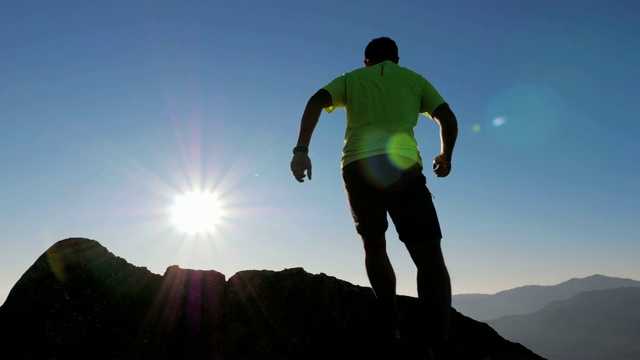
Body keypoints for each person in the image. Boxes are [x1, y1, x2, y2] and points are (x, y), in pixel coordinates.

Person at [290, 37, 458, 357]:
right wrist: (445, 155)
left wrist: (301, 150)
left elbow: (315, 100)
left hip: (358, 166)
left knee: (374, 245)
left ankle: (389, 318)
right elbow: (447, 117)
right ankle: (439, 340)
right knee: (428, 257)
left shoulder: (352, 79)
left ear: (366, 61)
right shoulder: (414, 80)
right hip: (402, 168)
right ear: (396, 59)